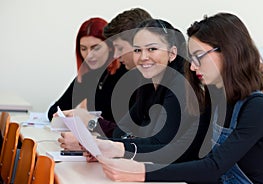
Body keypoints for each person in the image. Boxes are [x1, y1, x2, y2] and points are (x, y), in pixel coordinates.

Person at [91, 13, 263, 184]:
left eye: (198, 56)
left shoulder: (257, 107)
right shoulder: (215, 101)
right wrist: (118, 148)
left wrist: (140, 171)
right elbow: (183, 151)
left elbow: (213, 166)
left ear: (227, 52)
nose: (192, 65)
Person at [59, 19, 204, 166]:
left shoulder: (181, 86)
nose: (143, 57)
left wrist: (91, 143)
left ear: (172, 53)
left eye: (152, 49)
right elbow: (120, 132)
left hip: (176, 180)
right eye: (137, 50)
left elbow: (158, 144)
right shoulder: (147, 83)